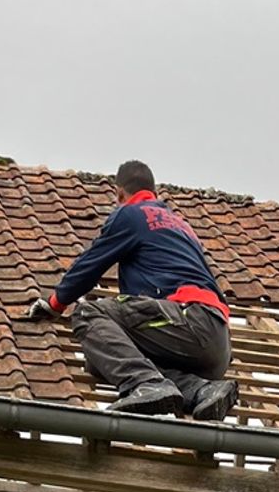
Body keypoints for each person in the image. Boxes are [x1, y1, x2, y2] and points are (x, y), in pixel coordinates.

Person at [23, 160, 238, 420]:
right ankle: (201, 390)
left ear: (120, 194)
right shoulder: (182, 226)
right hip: (218, 344)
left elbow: (90, 264)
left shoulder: (132, 214)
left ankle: (145, 385)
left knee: (88, 314)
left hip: (186, 320)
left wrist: (55, 303)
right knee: (103, 359)